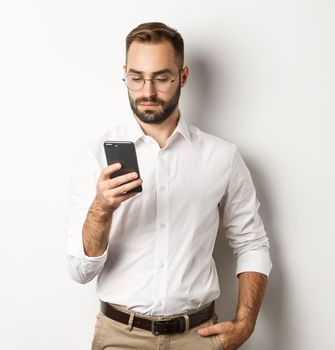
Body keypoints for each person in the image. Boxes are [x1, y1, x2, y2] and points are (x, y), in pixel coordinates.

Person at [65, 22, 272, 350]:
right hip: (120, 337)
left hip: (198, 338)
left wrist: (245, 323)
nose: (147, 92)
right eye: (136, 78)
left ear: (183, 76)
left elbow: (252, 244)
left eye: (161, 77)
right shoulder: (94, 155)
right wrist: (102, 208)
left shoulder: (222, 157)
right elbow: (80, 271)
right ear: (126, 75)